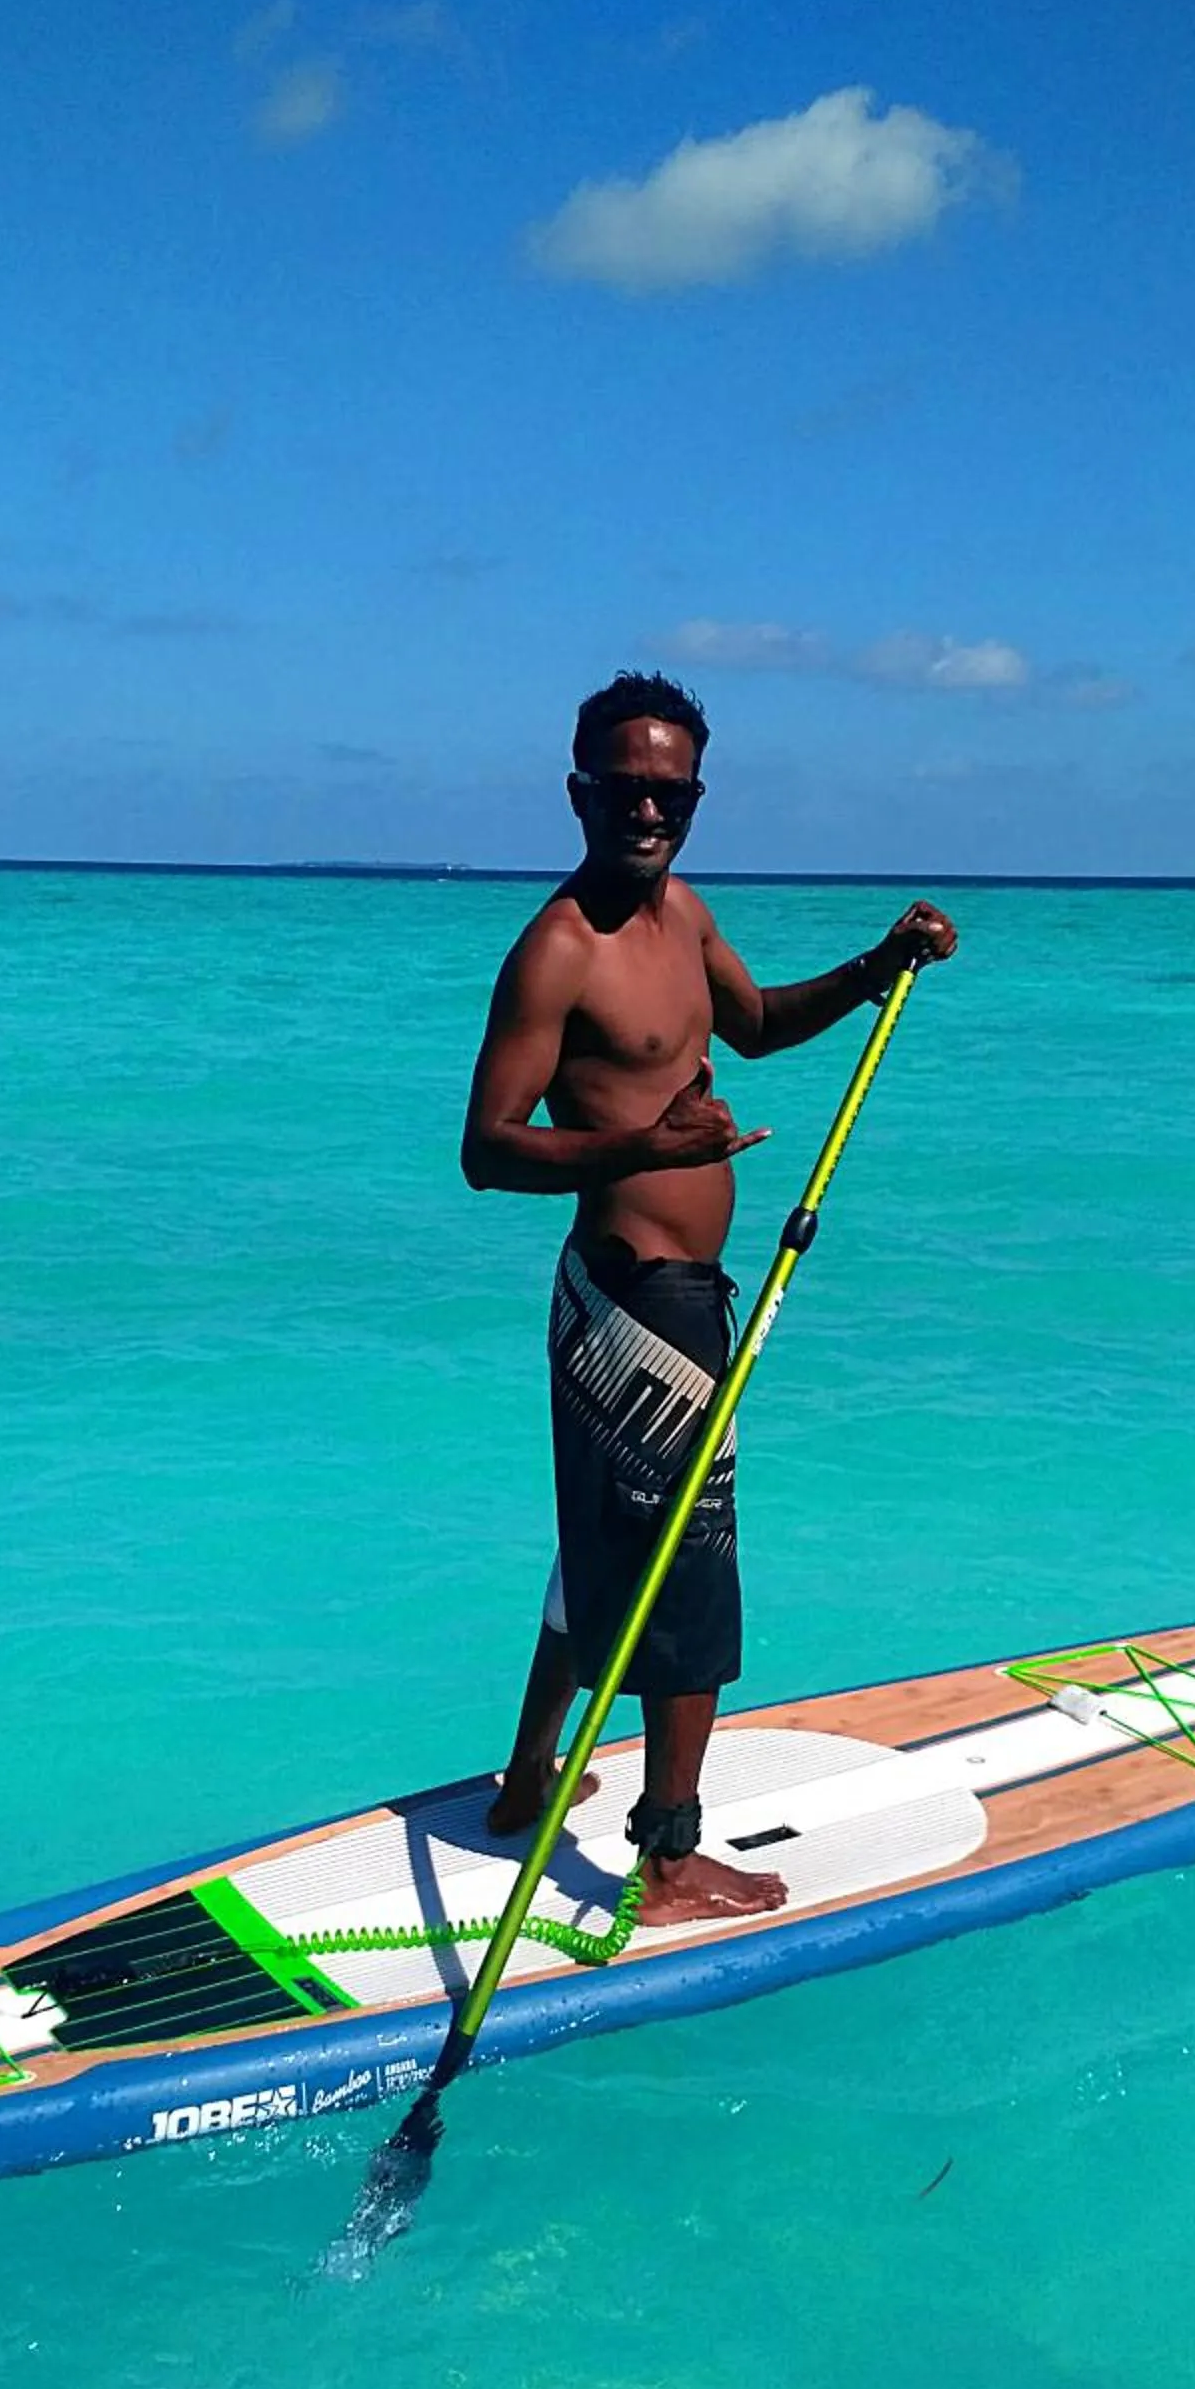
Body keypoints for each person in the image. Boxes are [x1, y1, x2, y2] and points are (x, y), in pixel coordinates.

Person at [460, 670, 956, 1923]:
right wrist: (645, 1152)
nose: (648, 811)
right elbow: (487, 1149)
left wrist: (876, 964)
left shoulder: (683, 916)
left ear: (694, 799)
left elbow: (756, 1025)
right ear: (580, 792)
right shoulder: (557, 950)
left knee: (608, 1547)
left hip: (673, 1294)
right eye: (625, 789)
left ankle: (529, 1778)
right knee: (690, 1573)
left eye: (670, 792)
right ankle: (669, 1854)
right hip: (636, 1305)